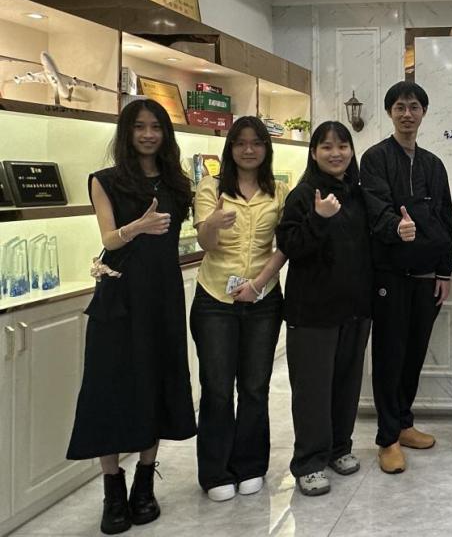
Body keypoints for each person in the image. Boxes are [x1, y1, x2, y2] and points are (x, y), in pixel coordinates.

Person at [67, 99, 196, 534]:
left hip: (162, 297)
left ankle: (144, 484)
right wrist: (136, 227)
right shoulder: (104, 180)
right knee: (108, 389)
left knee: (156, 384)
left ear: (165, 133)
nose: (148, 135)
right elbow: (108, 238)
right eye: (139, 127)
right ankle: (112, 491)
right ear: (127, 132)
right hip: (119, 297)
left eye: (155, 127)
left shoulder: (177, 184)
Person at [361, 81, 452, 474]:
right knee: (390, 356)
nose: (407, 114)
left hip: (426, 276)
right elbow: (376, 207)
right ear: (390, 112)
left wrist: (444, 269)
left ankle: (404, 423)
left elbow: (446, 218)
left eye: (414, 107)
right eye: (400, 107)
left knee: (414, 354)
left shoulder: (433, 164)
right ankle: (387, 439)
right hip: (389, 274)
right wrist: (394, 227)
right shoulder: (375, 158)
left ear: (423, 113)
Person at [191, 116, 288, 501]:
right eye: (241, 143)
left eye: (257, 143)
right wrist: (213, 223)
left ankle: (251, 465)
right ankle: (216, 472)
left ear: (266, 148)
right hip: (215, 298)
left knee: (254, 387)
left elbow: (285, 245)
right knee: (216, 388)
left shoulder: (278, 191)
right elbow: (206, 243)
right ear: (230, 148)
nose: (249, 150)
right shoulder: (211, 187)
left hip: (263, 299)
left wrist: (259, 283)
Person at [276, 121, 373, 495]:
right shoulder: (303, 195)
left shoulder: (357, 194)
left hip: (354, 309)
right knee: (312, 390)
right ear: (314, 153)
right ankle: (309, 462)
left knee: (346, 385)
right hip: (312, 312)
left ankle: (338, 448)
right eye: (327, 147)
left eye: (342, 146)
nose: (336, 153)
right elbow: (291, 246)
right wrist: (318, 217)